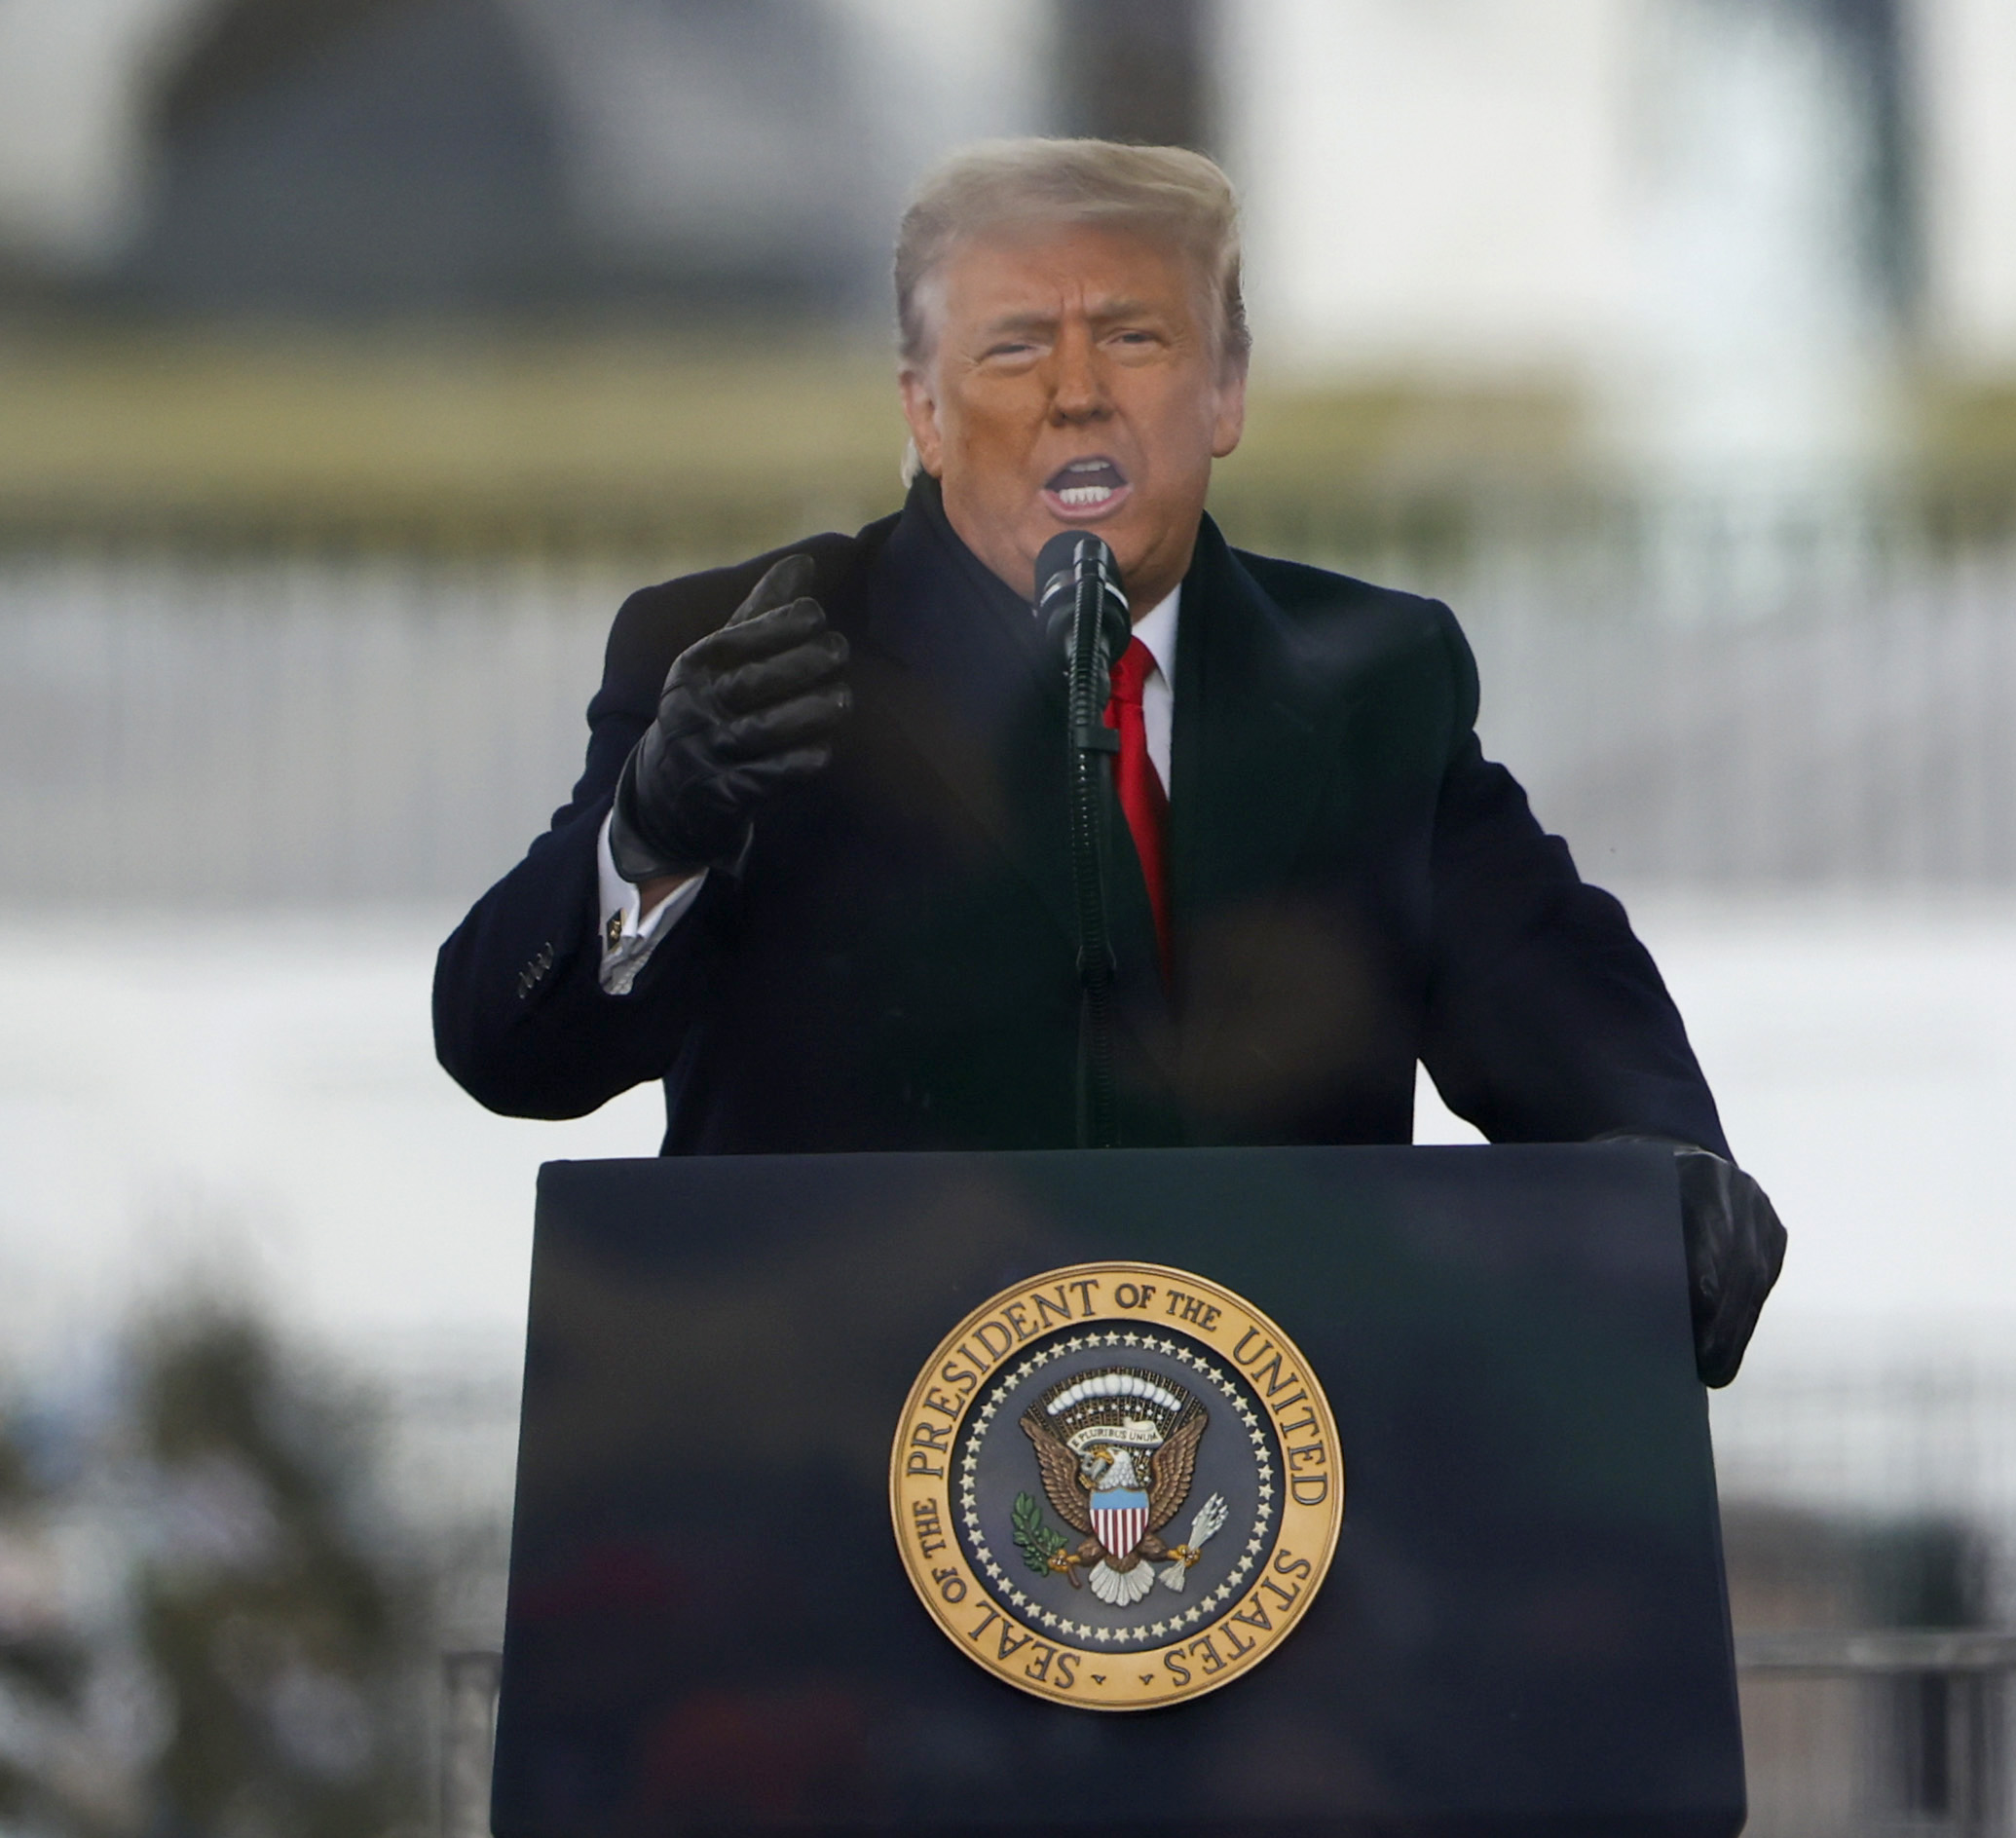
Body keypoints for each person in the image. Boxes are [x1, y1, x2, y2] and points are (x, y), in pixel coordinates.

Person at [432, 138, 1783, 1387]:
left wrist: (1658, 1152)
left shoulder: (1372, 677)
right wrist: (653, 828)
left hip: (1277, 1502)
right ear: (924, 407)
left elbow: (1543, 967)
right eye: (1015, 348)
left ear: (1227, 391)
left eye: (1133, 337)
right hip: (830, 1479)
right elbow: (507, 1045)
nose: (1078, 392)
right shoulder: (737, 653)